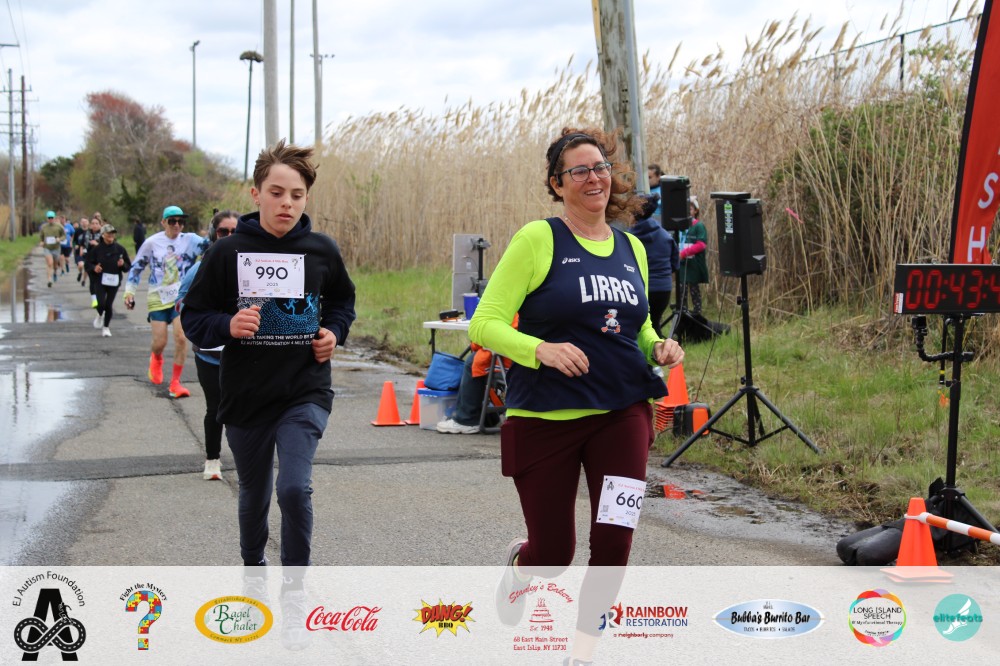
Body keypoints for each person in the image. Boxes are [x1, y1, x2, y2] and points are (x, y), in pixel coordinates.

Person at [469, 127, 685, 665]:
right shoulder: (537, 240)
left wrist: (658, 345)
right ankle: (522, 566)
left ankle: (582, 652)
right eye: (579, 170)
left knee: (614, 541)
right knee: (554, 554)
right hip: (545, 418)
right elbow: (483, 324)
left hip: (623, 414)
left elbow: (637, 326)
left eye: (600, 167)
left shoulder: (631, 247)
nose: (594, 178)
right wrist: (539, 349)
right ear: (557, 183)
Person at [181, 140, 356, 569]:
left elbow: (342, 302)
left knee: (294, 488)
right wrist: (228, 325)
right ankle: (254, 569)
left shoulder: (321, 250)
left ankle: (296, 584)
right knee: (254, 493)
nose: (286, 203)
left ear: (307, 198)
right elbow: (195, 316)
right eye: (276, 193)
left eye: (297, 195)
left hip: (304, 391)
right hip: (246, 394)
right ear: (256, 194)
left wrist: (334, 332)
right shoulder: (226, 252)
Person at [177, 209, 239, 480]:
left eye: (235, 232)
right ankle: (212, 460)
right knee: (215, 407)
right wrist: (208, 321)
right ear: (214, 234)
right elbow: (182, 301)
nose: (229, 236)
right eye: (224, 231)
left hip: (243, 353)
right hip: (209, 354)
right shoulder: (200, 268)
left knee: (242, 408)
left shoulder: (253, 265)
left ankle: (247, 459)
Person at [124, 205, 210, 399]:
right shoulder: (152, 243)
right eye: (172, 221)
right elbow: (137, 267)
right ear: (163, 222)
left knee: (181, 337)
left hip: (182, 297)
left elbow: (213, 246)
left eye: (181, 221)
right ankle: (156, 357)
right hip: (158, 297)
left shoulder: (190, 240)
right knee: (160, 342)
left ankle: (175, 383)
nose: (177, 225)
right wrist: (129, 292)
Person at [436, 315, 518, 435]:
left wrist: (476, 344)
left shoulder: (507, 310)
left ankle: (466, 419)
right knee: (479, 360)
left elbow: (484, 337)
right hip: (532, 358)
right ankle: (488, 417)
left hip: (511, 360)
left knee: (474, 361)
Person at [627, 194, 679, 338]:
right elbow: (675, 264)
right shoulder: (665, 236)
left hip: (640, 290)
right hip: (663, 289)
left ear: (635, 214)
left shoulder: (629, 238)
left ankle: (651, 352)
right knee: (654, 325)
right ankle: (658, 350)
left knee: (640, 329)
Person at [85, 223, 132, 337]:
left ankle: (106, 327)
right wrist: (94, 268)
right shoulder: (96, 249)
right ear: (103, 235)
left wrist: (122, 264)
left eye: (112, 233)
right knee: (101, 303)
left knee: (108, 304)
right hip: (100, 280)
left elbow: (128, 267)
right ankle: (100, 314)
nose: (111, 235)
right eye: (108, 233)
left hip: (114, 281)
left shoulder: (120, 249)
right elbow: (88, 264)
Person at [678, 195, 709, 315]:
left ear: (695, 211)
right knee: (681, 290)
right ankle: (683, 313)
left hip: (693, 264)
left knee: (694, 290)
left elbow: (701, 244)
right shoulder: (681, 227)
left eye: (690, 209)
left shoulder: (698, 226)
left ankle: (697, 314)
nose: (688, 211)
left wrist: (684, 253)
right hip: (682, 264)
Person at [38, 211, 66, 288]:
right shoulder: (44, 227)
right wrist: (41, 242)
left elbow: (64, 236)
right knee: (49, 263)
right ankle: (49, 280)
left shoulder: (59, 226)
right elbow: (41, 237)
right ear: (47, 218)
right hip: (47, 248)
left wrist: (59, 239)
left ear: (54, 218)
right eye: (49, 218)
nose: (50, 219)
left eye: (52, 218)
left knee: (55, 265)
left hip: (56, 248)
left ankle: (55, 272)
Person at [81, 217, 103, 306]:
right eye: (93, 223)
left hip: (101, 261)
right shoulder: (87, 234)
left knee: (100, 281)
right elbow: (83, 244)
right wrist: (82, 250)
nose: (94, 225)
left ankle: (101, 297)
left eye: (96, 223)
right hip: (89, 261)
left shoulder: (104, 234)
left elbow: (107, 246)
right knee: (92, 280)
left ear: (100, 225)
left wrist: (97, 244)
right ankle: (94, 300)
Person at [73, 217, 90, 286]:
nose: (84, 223)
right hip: (79, 251)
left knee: (86, 267)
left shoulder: (90, 231)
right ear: (80, 223)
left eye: (85, 221)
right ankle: (80, 272)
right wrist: (75, 245)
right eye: (82, 222)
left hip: (88, 251)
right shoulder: (77, 231)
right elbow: (74, 241)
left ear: (88, 222)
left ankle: (84, 280)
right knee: (80, 265)